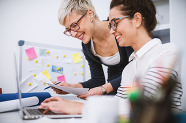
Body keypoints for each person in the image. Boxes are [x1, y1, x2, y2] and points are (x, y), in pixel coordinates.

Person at [39, 0, 182, 114]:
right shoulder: (129, 69)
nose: (112, 30)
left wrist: (78, 107)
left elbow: (145, 106)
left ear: (137, 19)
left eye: (115, 23)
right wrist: (73, 98)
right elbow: (119, 105)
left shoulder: (167, 52)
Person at [52, 0, 133, 98]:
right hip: (115, 94)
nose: (73, 34)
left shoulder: (119, 28)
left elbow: (137, 69)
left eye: (74, 25)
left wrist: (104, 89)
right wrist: (71, 87)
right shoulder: (87, 46)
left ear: (90, 14)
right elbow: (97, 80)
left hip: (137, 89)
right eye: (68, 30)